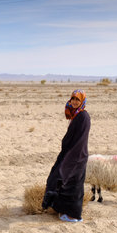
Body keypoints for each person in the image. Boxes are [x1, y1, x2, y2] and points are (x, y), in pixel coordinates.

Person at [42, 89, 91, 222]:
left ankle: (73, 215)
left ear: (82, 101)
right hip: (70, 153)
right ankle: (63, 210)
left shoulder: (83, 116)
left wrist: (71, 156)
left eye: (77, 100)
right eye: (73, 99)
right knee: (59, 178)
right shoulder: (75, 115)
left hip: (76, 155)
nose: (74, 102)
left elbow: (80, 139)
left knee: (72, 184)